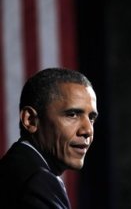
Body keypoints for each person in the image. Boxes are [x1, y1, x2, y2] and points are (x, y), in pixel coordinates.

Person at [0, 67, 98, 208]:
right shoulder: (36, 181)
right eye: (72, 114)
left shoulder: (16, 170)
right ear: (30, 120)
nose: (88, 130)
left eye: (91, 118)